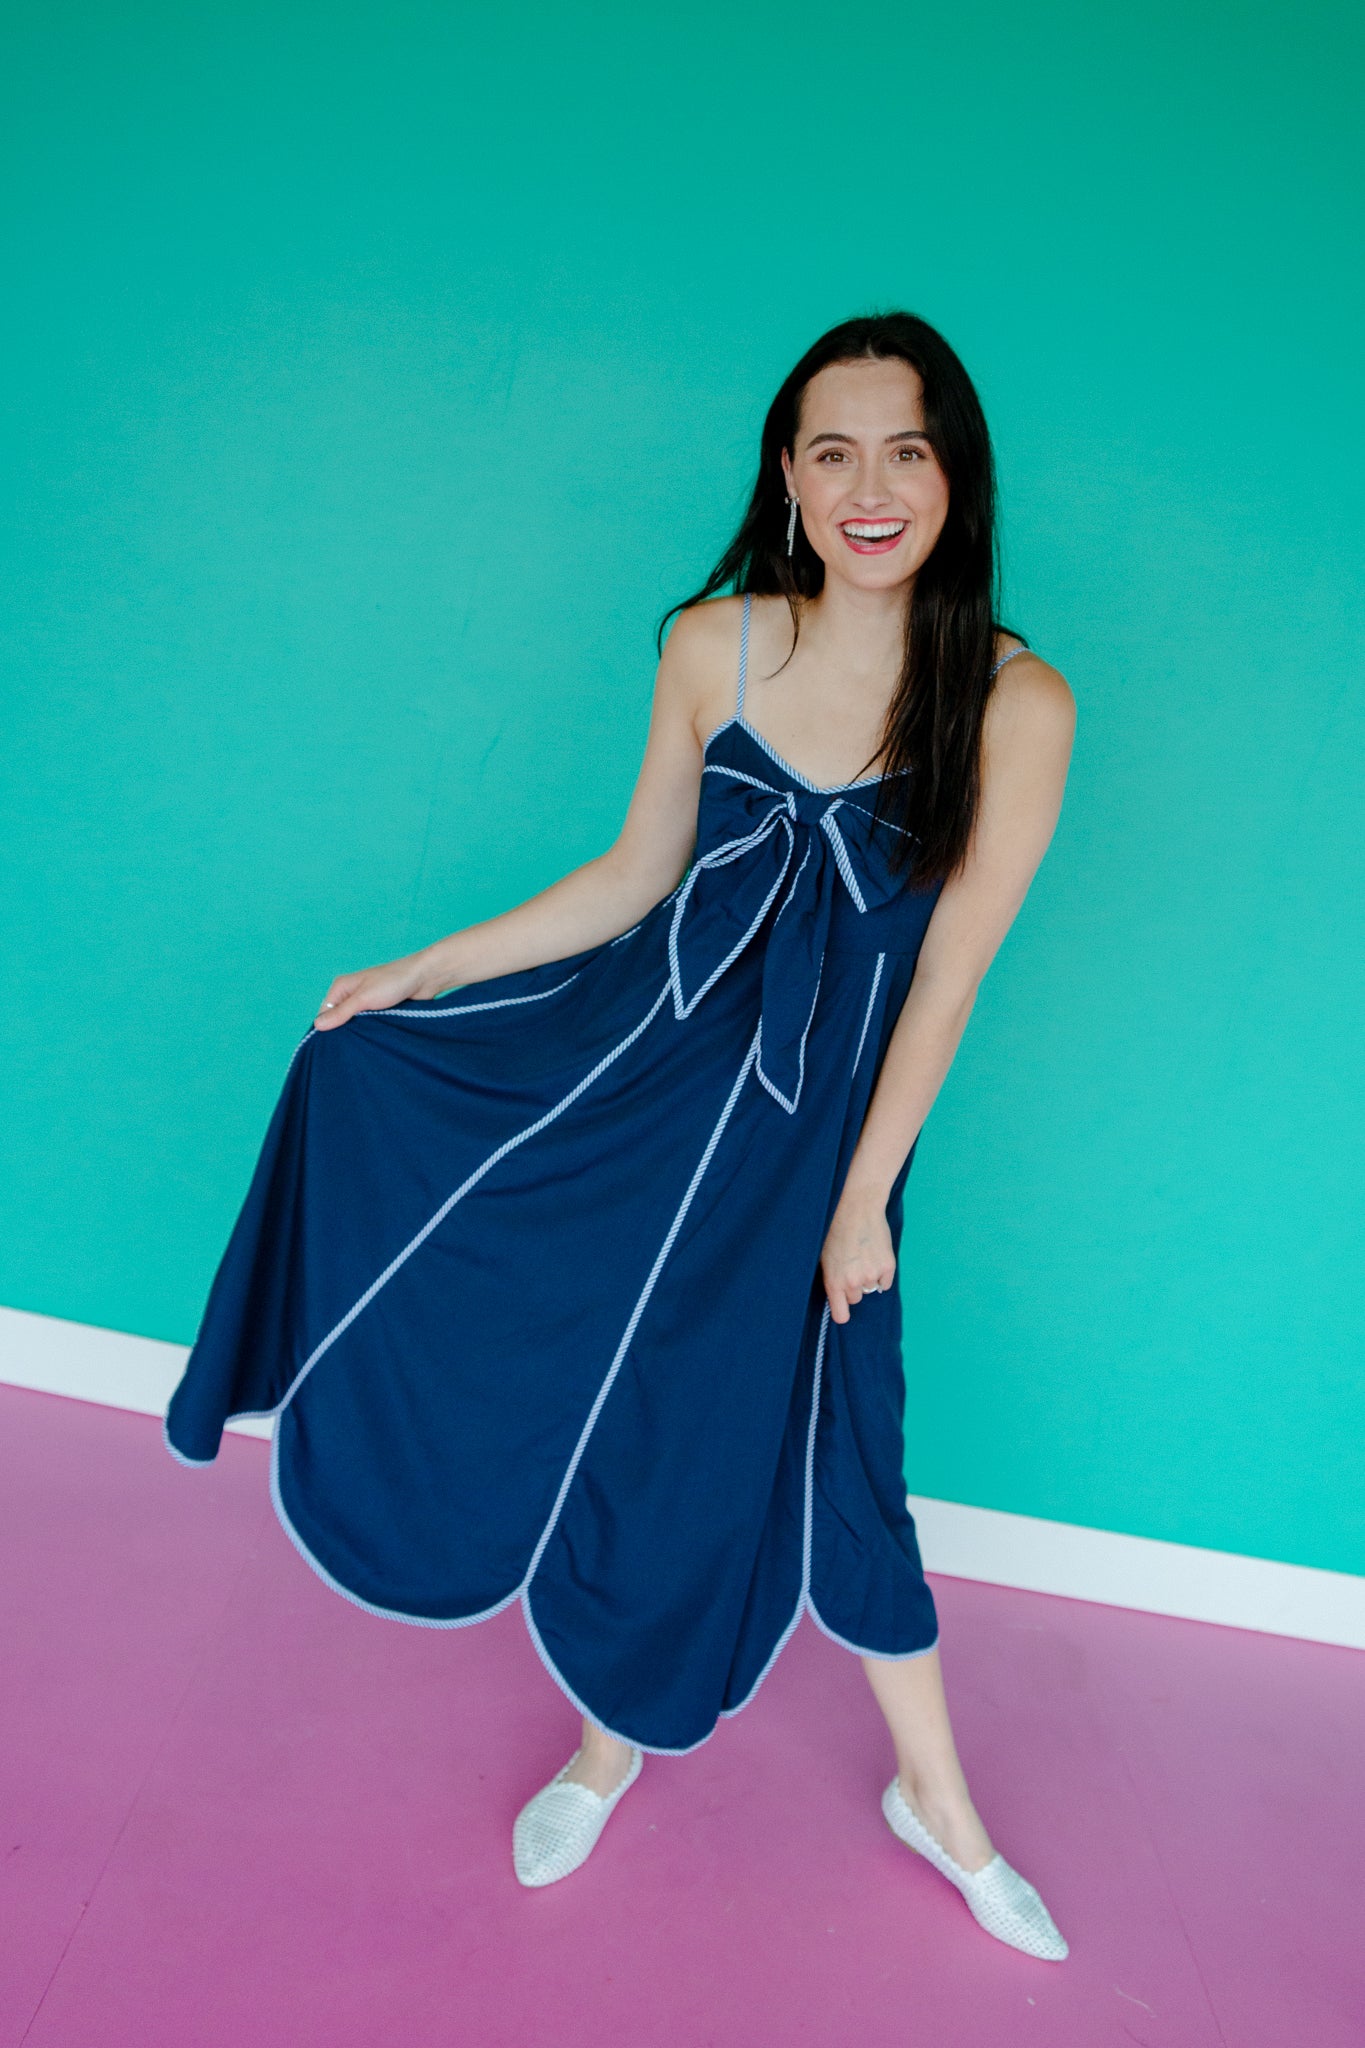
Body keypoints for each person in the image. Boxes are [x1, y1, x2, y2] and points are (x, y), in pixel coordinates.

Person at [165, 311, 1076, 1960]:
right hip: (630, 1088)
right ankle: (606, 1746)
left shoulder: (1015, 700)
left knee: (840, 1451)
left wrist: (861, 1201)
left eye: (906, 450)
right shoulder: (710, 643)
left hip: (813, 1157)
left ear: (956, 475)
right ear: (787, 477)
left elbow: (945, 981)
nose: (869, 488)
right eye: (832, 452)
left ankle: (934, 1804)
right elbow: (633, 876)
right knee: (619, 1402)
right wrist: (427, 969)